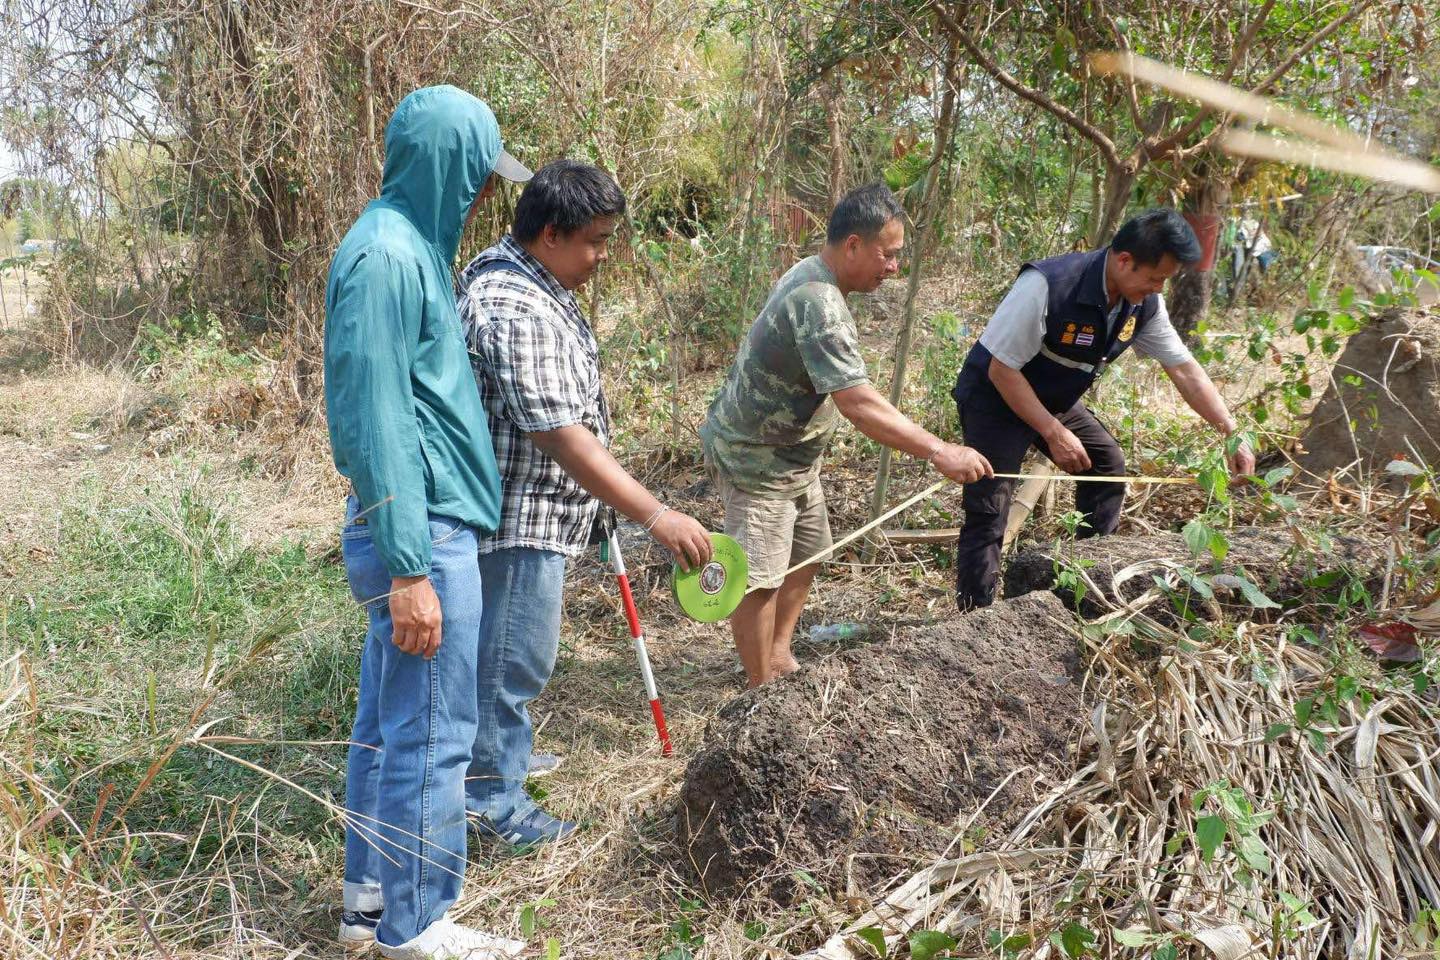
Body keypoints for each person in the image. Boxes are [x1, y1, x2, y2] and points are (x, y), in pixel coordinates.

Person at [323, 85, 533, 959]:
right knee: (436, 737)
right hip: (422, 534)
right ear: (449, 169)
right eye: (480, 178)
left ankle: (368, 906)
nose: (486, 197)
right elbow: (376, 417)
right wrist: (411, 568)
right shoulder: (385, 257)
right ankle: (419, 925)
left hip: (424, 526)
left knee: (391, 727)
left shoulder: (409, 248)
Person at [457, 160, 713, 844]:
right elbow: (558, 433)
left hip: (540, 510)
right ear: (549, 233)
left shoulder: (532, 282)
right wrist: (655, 514)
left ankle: (494, 761)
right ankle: (490, 799)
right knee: (510, 660)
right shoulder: (511, 303)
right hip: (517, 518)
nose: (601, 256)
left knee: (504, 656)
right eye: (595, 241)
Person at [701, 182, 992, 688]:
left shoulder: (818, 276)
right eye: (889, 254)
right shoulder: (819, 301)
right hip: (758, 460)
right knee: (760, 581)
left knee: (812, 548)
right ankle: (759, 691)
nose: (894, 267)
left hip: (792, 458)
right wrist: (940, 450)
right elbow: (857, 403)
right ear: (854, 245)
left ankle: (778, 652)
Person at [950, 208, 1256, 613]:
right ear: (1124, 260)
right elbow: (1002, 369)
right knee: (990, 506)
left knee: (1107, 466)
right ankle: (976, 618)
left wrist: (1230, 430)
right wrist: (1054, 433)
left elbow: (1184, 369)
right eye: (1154, 278)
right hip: (994, 396)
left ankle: (1084, 587)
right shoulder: (1048, 285)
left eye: (1164, 280)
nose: (1158, 288)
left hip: (1051, 398)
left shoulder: (1142, 304)